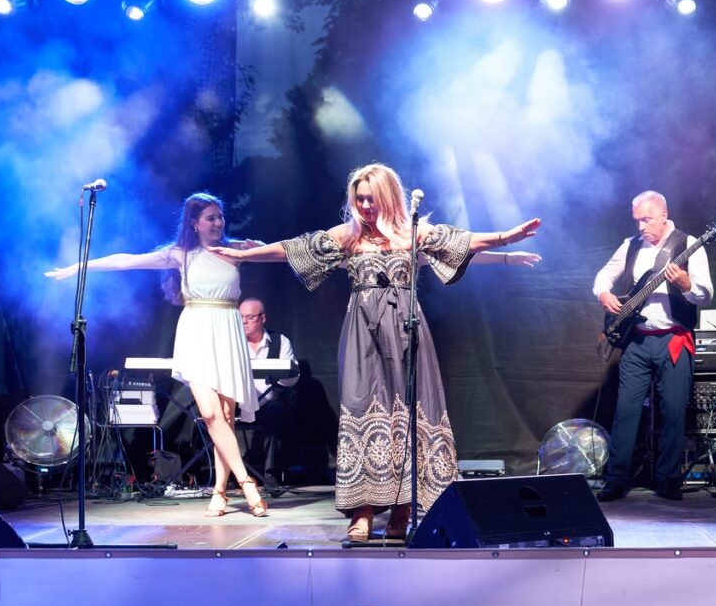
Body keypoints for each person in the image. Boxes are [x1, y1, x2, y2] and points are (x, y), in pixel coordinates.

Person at [211, 163, 541, 541]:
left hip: (406, 331)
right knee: (363, 406)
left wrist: (504, 239)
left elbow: (461, 242)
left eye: (371, 198)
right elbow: (291, 250)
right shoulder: (349, 236)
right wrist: (245, 256)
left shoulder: (412, 233)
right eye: (359, 199)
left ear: (387, 196)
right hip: (362, 333)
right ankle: (363, 509)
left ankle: (402, 509)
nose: (365, 206)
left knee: (407, 411)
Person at [46, 193, 268, 518]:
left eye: (220, 217)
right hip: (197, 331)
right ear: (194, 222)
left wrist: (255, 246)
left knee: (226, 417)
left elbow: (276, 253)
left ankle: (220, 492)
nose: (218, 223)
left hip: (227, 330)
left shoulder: (234, 250)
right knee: (210, 415)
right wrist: (81, 266)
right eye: (210, 218)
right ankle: (247, 483)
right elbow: (128, 260)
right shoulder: (181, 254)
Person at [593, 190, 713, 501]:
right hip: (637, 340)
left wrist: (687, 285)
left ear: (663, 214)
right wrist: (603, 293)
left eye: (646, 219)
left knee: (673, 411)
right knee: (625, 411)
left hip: (673, 340)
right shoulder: (631, 245)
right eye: (637, 221)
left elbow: (705, 294)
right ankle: (616, 479)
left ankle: (668, 479)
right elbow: (604, 275)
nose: (641, 226)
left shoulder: (689, 244)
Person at [237, 297, 300, 481]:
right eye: (241, 317)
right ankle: (230, 475)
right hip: (237, 405)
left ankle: (271, 474)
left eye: (250, 317)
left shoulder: (280, 341)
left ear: (262, 318)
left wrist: (276, 372)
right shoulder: (232, 343)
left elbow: (293, 377)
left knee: (276, 410)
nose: (244, 322)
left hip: (267, 406)